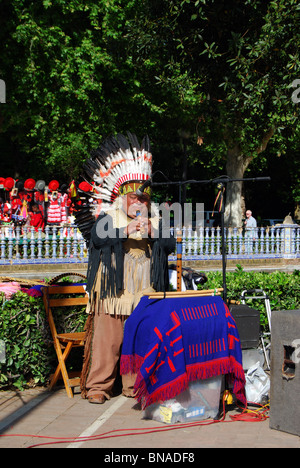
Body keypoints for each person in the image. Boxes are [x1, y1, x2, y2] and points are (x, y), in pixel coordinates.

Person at [78, 133, 175, 404]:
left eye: (143, 198)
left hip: (144, 287)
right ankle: (99, 386)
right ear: (122, 196)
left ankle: (134, 386)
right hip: (113, 287)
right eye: (134, 197)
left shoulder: (156, 216)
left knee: (139, 340)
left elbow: (170, 243)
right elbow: (97, 238)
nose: (139, 202)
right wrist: (125, 230)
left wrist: (153, 231)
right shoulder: (108, 215)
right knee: (107, 342)